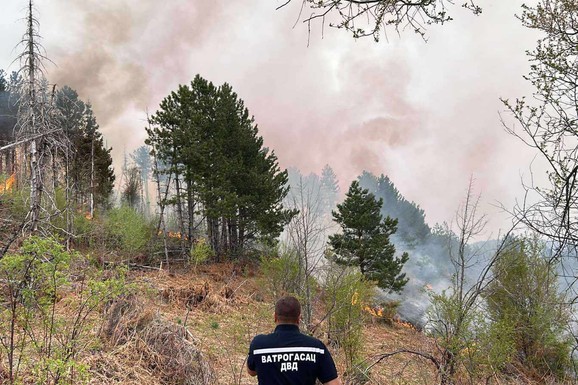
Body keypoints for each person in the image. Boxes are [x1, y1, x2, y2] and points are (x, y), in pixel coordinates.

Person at [247, 296, 341, 385]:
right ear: (299, 318)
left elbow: (251, 371)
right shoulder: (316, 348)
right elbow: (334, 383)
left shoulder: (259, 345)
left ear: (275, 317)